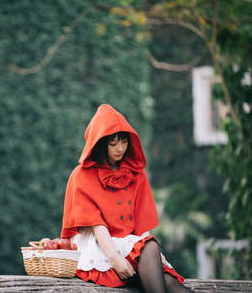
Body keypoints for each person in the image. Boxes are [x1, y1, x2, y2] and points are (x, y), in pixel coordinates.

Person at [61, 104, 193, 292]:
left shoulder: (136, 173)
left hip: (130, 244)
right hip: (100, 245)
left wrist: (154, 258)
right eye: (113, 144)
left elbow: (142, 225)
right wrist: (116, 260)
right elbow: (97, 227)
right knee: (157, 263)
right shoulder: (81, 175)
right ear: (99, 143)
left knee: (167, 279)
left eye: (123, 142)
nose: (120, 148)